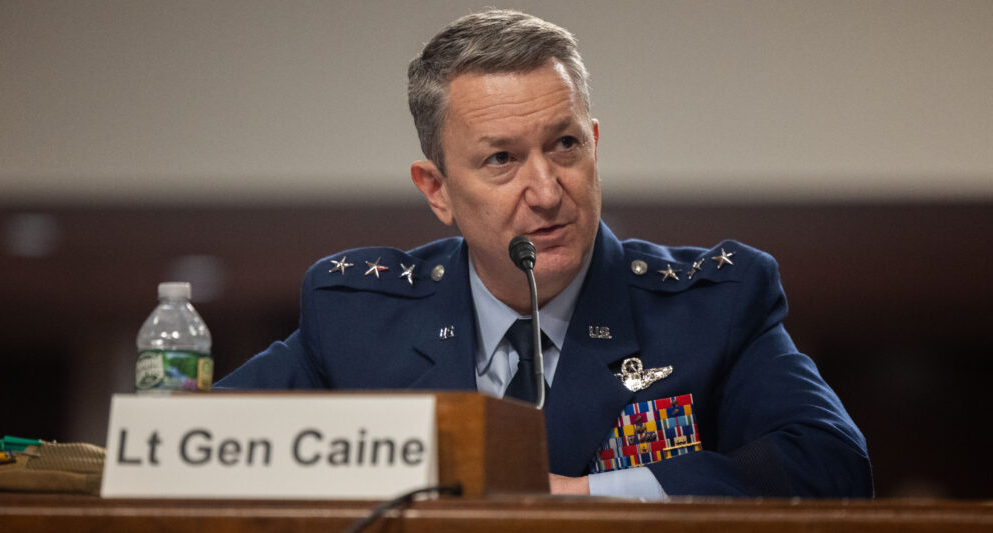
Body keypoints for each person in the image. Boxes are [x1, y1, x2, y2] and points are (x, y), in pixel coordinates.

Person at [217, 9, 873, 499]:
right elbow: (198, 448)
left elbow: (831, 464)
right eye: (502, 158)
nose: (548, 190)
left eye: (564, 145)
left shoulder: (712, 306)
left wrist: (583, 498)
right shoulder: (357, 317)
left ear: (594, 144)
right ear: (437, 190)